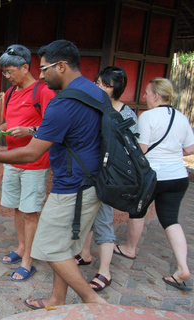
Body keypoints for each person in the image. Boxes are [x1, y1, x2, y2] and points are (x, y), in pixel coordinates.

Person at [0, 39, 107, 308]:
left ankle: (92, 300)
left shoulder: (61, 102)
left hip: (72, 186)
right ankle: (57, 299)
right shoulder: (96, 92)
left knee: (48, 246)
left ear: (61, 66)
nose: (42, 75)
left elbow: (32, 152)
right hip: (93, 182)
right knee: (66, 248)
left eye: (45, 69)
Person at [114, 77, 194, 291]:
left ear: (156, 96)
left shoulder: (147, 116)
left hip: (152, 176)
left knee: (137, 211)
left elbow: (142, 148)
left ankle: (130, 248)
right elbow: (189, 149)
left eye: (147, 93)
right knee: (170, 220)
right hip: (178, 177)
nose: (144, 96)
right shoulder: (181, 117)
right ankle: (182, 267)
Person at [0, 44, 55, 281]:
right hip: (12, 160)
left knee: (30, 211)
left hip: (34, 162)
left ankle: (28, 260)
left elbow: (53, 125)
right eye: (5, 72)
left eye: (11, 71)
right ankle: (22, 247)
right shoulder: (10, 93)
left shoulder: (43, 91)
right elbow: (8, 123)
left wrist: (30, 130)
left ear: (26, 67)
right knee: (16, 206)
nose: (7, 76)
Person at [74, 66, 138, 291]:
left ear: (117, 88)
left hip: (108, 177)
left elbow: (131, 148)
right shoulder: (92, 105)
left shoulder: (125, 113)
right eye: (98, 82)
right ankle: (84, 254)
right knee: (85, 217)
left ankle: (105, 272)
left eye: (106, 85)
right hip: (87, 171)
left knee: (102, 221)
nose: (100, 87)